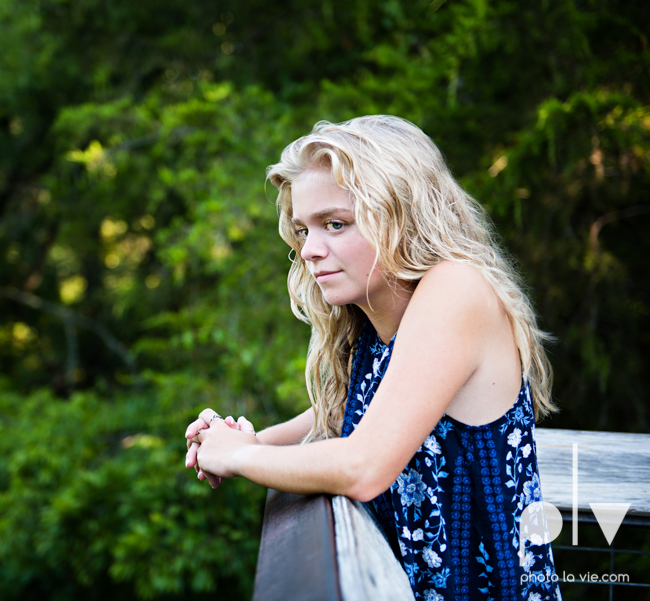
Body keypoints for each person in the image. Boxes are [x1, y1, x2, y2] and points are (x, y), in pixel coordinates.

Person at [183, 116, 562, 600]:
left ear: (402, 215)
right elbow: (346, 412)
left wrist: (241, 457)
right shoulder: (373, 314)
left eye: (335, 224)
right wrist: (248, 439)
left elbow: (363, 466)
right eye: (303, 230)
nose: (310, 251)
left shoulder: (456, 288)